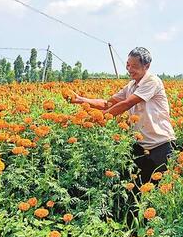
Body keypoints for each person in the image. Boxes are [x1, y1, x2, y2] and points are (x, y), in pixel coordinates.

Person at [71, 47, 176, 186]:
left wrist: (99, 118)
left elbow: (128, 103)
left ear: (147, 66)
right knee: (139, 191)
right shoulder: (131, 86)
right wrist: (81, 100)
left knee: (162, 192)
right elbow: (107, 103)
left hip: (161, 145)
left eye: (134, 66)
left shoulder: (152, 81)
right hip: (141, 147)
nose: (129, 69)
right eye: (128, 64)